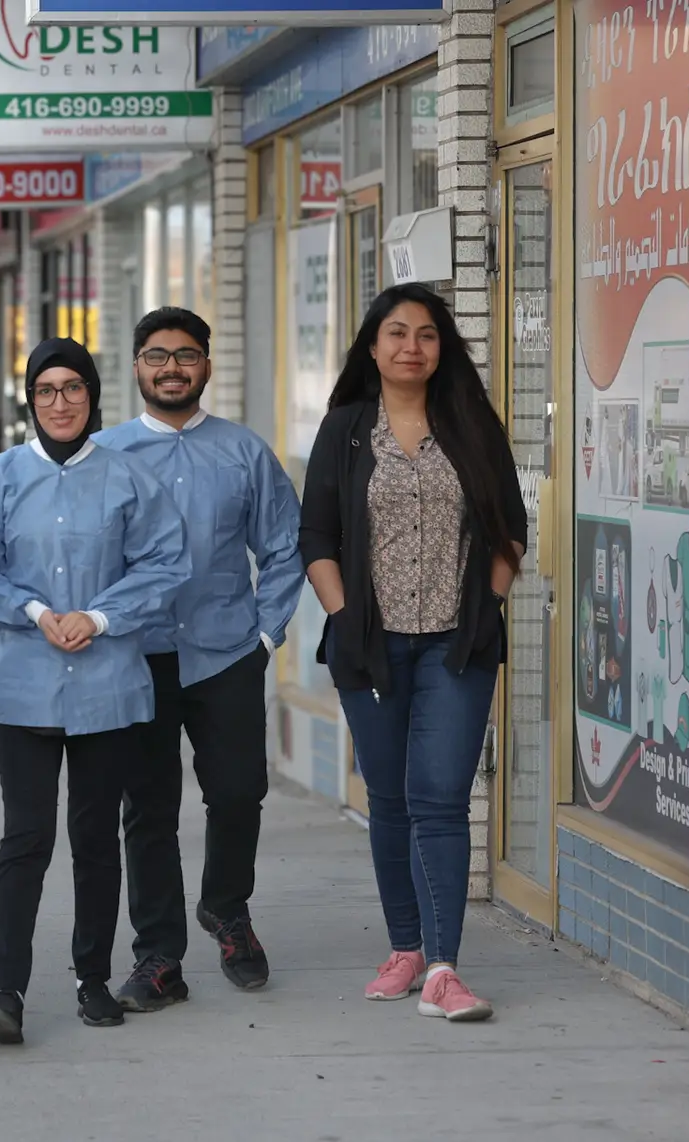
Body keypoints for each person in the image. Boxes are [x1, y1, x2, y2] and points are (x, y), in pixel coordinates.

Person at [0, 337, 189, 1043]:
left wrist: (101, 616)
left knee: (94, 837)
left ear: (93, 395)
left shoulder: (127, 478)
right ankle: (5, 992)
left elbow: (164, 564)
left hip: (108, 685)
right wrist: (35, 612)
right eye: (46, 390)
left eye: (73, 388)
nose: (60, 402)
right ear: (30, 399)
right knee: (26, 835)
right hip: (24, 684)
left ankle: (92, 979)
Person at [300, 283, 526, 1023]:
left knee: (440, 798)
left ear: (442, 348)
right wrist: (342, 615)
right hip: (369, 647)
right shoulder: (346, 430)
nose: (411, 347)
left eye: (426, 335)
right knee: (391, 799)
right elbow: (317, 539)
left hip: (455, 647)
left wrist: (488, 606)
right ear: (372, 346)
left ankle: (442, 967)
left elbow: (509, 530)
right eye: (396, 333)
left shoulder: (470, 426)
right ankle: (405, 946)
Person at [94, 308, 304, 1001]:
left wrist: (266, 636)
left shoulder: (244, 453)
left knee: (240, 791)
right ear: (136, 368)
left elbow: (282, 548)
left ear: (207, 367)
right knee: (147, 808)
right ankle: (159, 956)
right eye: (157, 355)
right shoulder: (106, 457)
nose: (172, 368)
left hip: (225, 654)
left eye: (186, 355)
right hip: (139, 658)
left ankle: (226, 907)